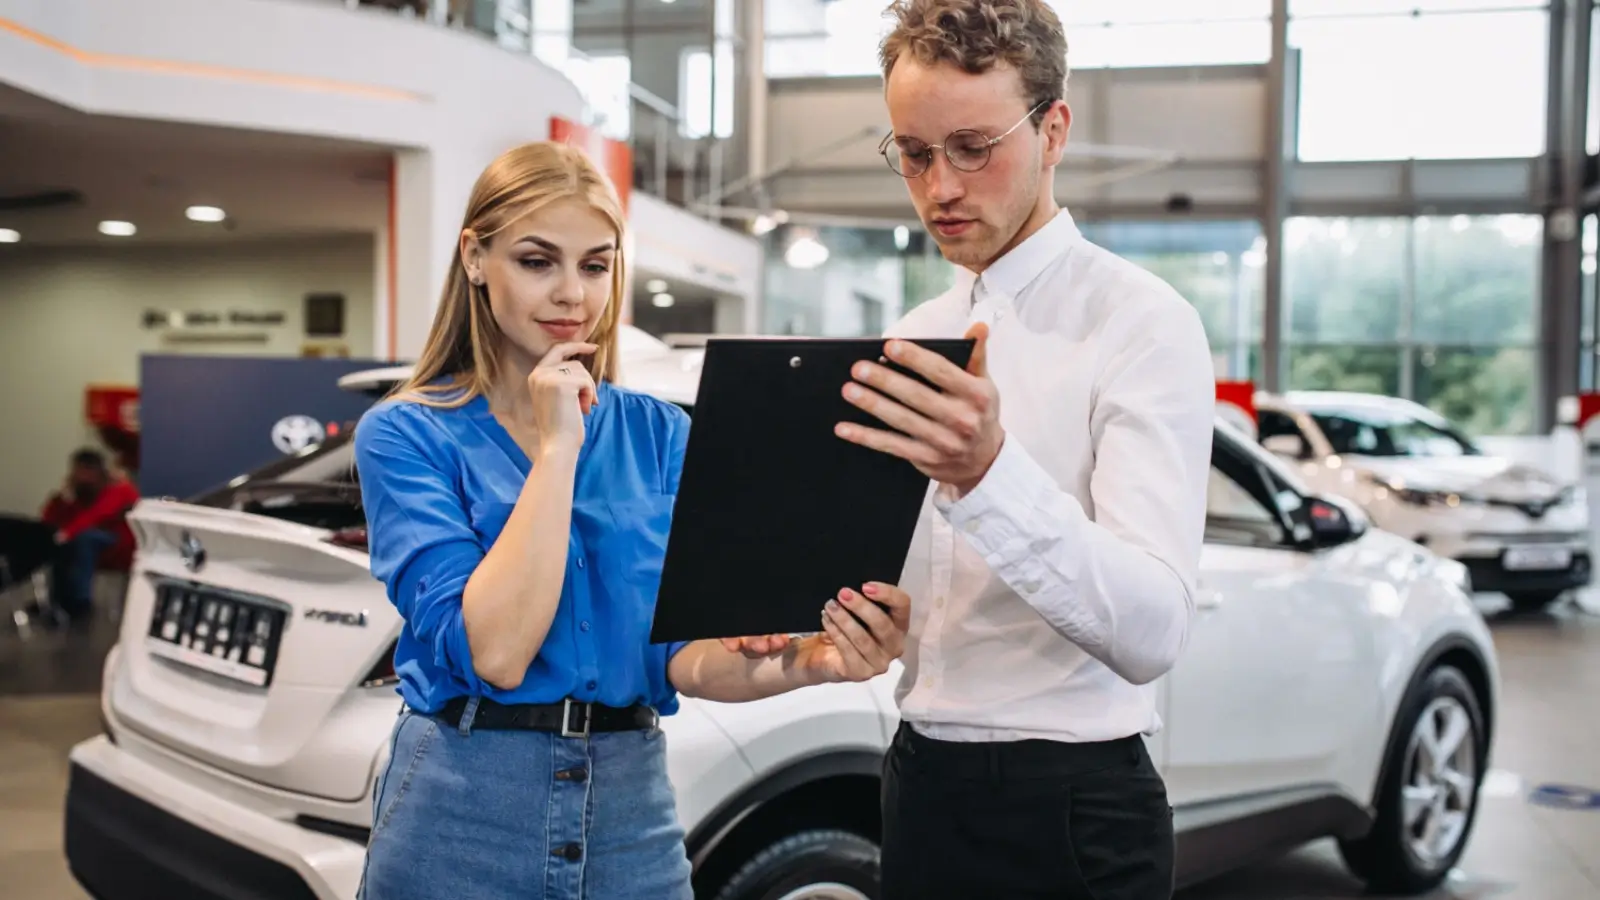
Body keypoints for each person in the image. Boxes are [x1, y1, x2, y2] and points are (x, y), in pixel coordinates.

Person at [350, 140, 912, 900]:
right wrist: (558, 449)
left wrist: (812, 662)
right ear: (475, 259)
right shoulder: (406, 434)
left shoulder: (661, 434)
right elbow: (499, 654)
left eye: (595, 264)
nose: (571, 295)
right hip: (462, 803)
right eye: (536, 260)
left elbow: (678, 657)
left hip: (630, 806)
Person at [840, 0, 1215, 895]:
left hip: (1074, 810)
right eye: (916, 154)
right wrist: (865, 623)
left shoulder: (1142, 322)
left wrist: (988, 472)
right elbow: (915, 595)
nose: (941, 188)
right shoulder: (918, 332)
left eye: (973, 147)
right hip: (920, 782)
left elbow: (1153, 627)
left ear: (1053, 131)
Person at [38, 448, 139, 625]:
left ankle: (80, 603)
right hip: (88, 545)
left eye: (86, 470)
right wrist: (62, 499)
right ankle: (56, 602)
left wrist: (66, 534)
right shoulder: (79, 493)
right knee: (61, 544)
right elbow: (50, 521)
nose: (82, 476)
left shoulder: (119, 489)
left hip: (120, 546)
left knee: (85, 538)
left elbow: (98, 515)